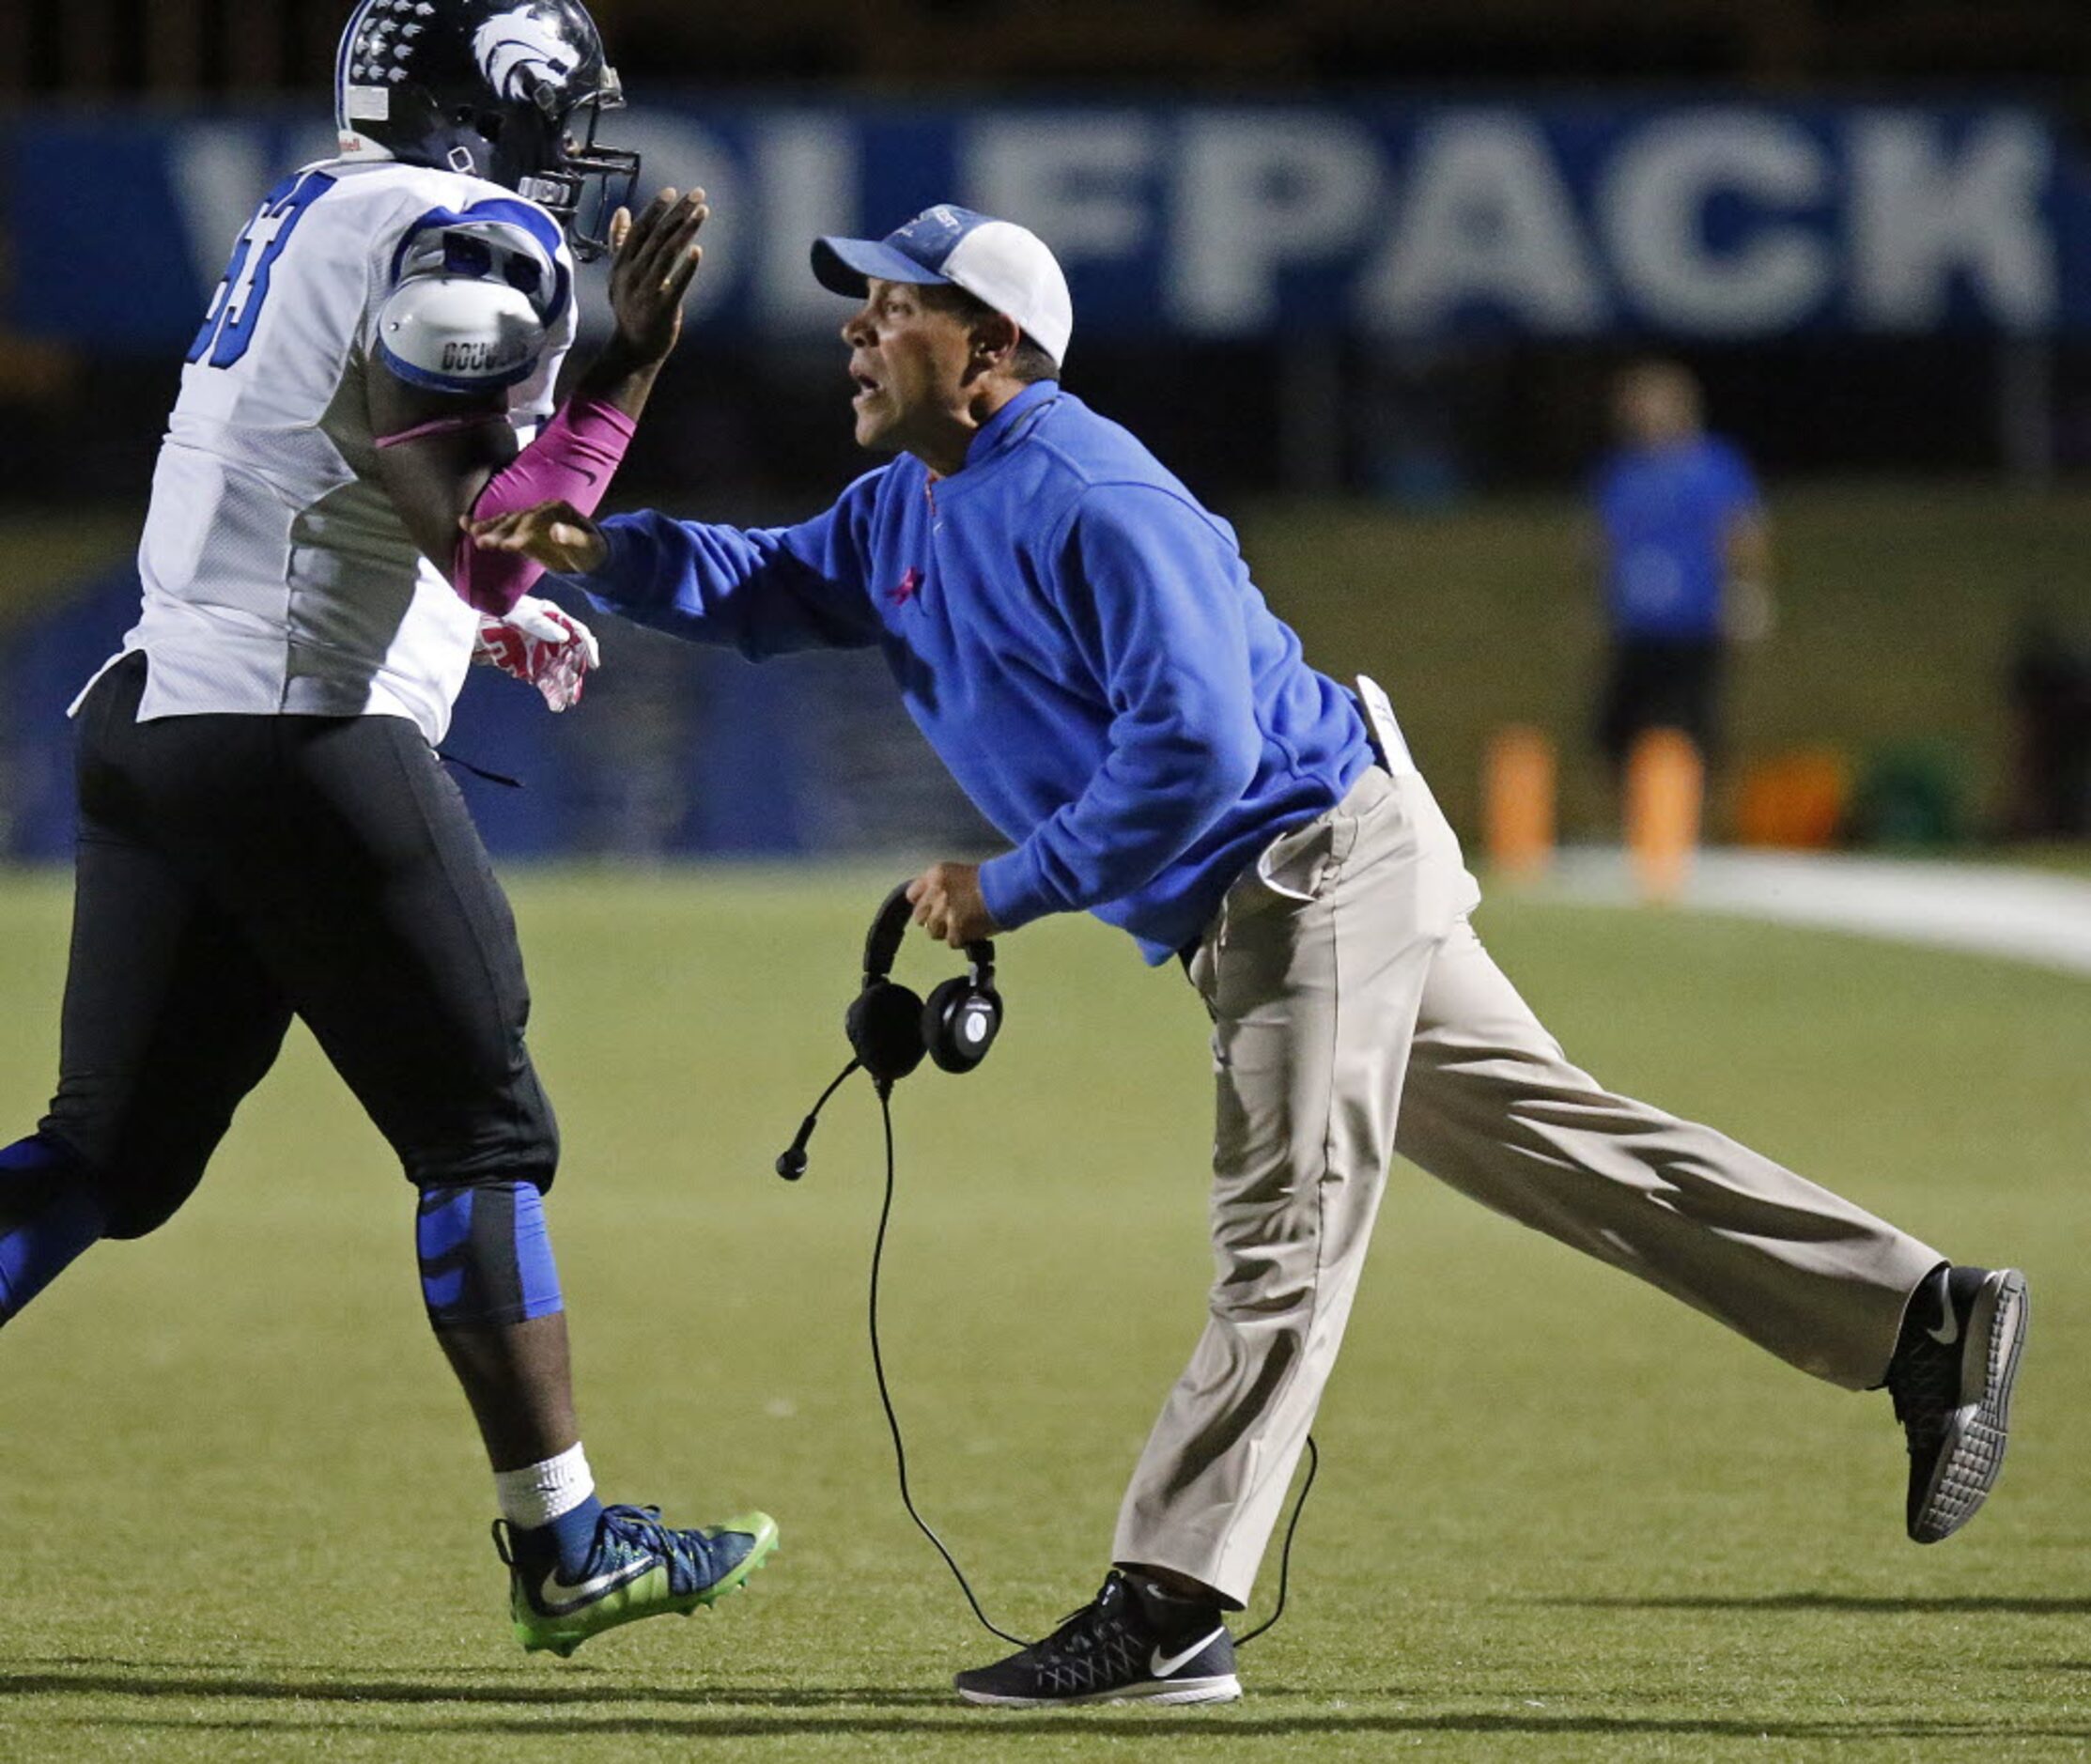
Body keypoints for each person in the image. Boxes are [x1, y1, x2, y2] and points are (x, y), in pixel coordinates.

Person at [470, 205, 2027, 1707]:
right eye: (861, 302)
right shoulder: (912, 499)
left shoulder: (1094, 491)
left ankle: (1172, 1602)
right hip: (1302, 862)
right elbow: (773, 584)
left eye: (893, 303)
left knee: (1281, 1232)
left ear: (994, 343)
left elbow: (1198, 745)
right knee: (1573, 1150)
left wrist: (1016, 885)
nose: (856, 327)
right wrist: (604, 548)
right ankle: (1919, 1318)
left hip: (1305, 863)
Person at [0, 0, 774, 1660]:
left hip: (160, 719)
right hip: (299, 738)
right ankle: (564, 1543)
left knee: (109, 1157)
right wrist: (623, 381)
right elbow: (479, 537)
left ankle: (564, 1538)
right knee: (484, 1138)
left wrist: (468, 616)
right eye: (559, 116)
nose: (571, 157)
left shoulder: (306, 205)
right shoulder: (461, 233)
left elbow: (336, 483)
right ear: (488, 102)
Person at [1589, 361, 1773, 778]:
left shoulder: (1714, 466)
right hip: (1638, 625)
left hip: (1694, 621)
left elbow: (1741, 530)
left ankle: (1693, 823)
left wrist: (1746, 590)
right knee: (1617, 731)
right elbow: (1605, 541)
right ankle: (1632, 821)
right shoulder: (1620, 472)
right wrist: (1601, 600)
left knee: (1693, 727)